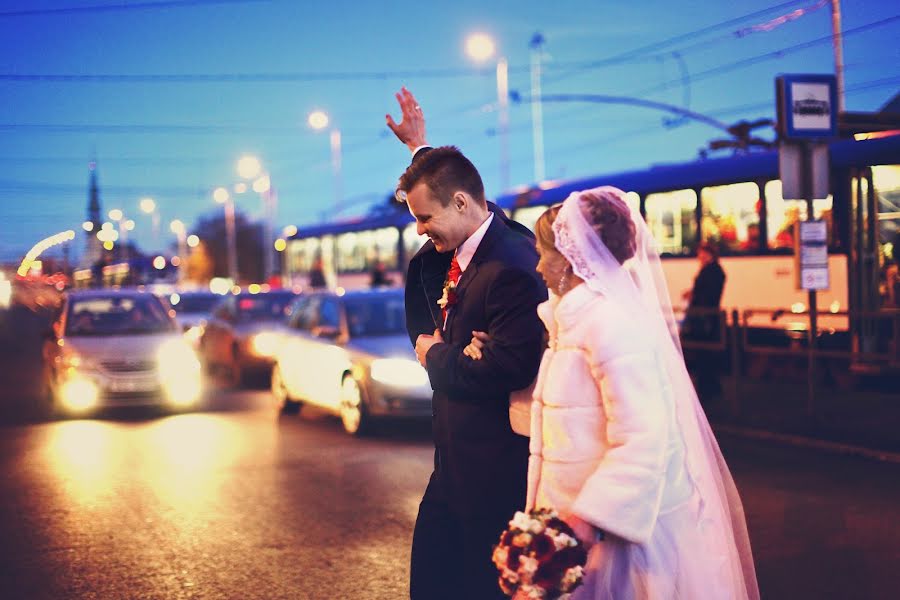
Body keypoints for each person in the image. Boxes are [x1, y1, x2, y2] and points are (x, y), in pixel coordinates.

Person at [464, 187, 758, 599]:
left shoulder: (610, 327)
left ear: (570, 258)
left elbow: (644, 439)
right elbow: (554, 417)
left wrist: (585, 522)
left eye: (544, 253)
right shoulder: (573, 325)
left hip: (615, 547)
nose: (538, 264)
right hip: (582, 537)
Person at [387, 87, 547, 600]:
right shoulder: (446, 248)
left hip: (493, 478)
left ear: (460, 203)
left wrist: (435, 354)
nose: (419, 230)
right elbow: (439, 189)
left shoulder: (514, 264)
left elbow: (508, 368)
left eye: (424, 218)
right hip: (451, 466)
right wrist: (420, 148)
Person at [681, 241, 726, 397]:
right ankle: (709, 387)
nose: (699, 256)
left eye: (701, 253)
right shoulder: (714, 270)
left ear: (708, 254)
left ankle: (707, 388)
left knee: (704, 353)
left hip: (704, 317)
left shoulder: (711, 271)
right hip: (706, 316)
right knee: (706, 354)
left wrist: (694, 295)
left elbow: (708, 294)